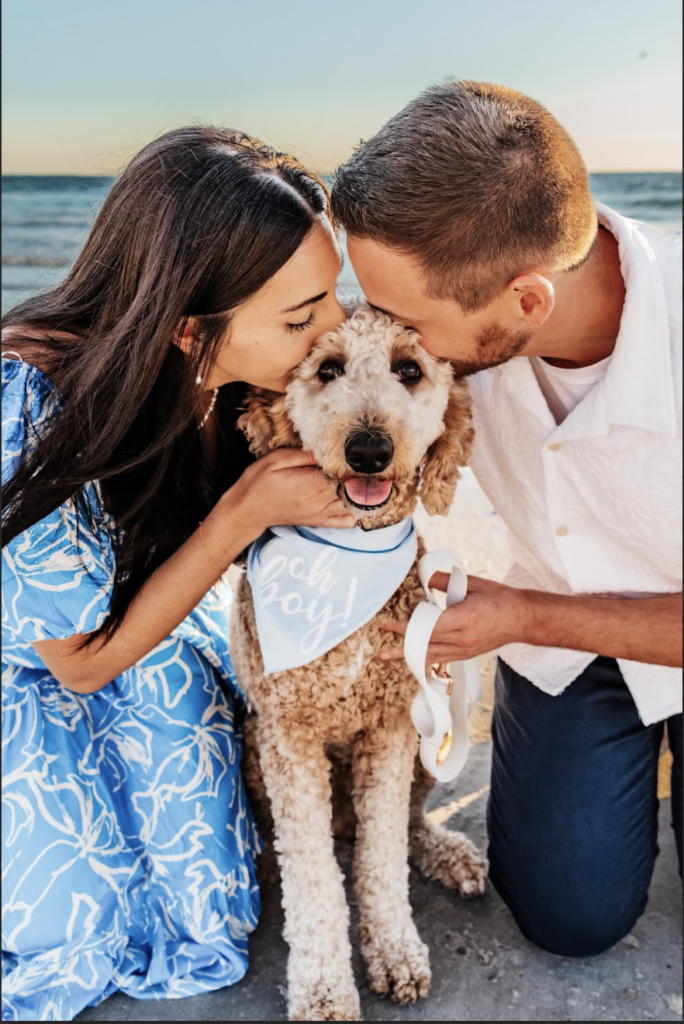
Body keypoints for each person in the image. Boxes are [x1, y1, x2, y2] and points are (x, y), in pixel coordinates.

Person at [1, 127, 352, 1021]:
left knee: (207, 912)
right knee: (75, 924)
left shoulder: (234, 380)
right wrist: (244, 513)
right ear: (190, 326)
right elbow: (76, 663)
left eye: (334, 297)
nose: (334, 330)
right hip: (35, 661)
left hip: (142, 631)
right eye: (302, 316)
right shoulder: (33, 402)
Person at [330, 81, 682, 958]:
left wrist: (519, 616)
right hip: (573, 653)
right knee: (570, 917)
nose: (386, 333)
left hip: (561, 616)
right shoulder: (463, 332)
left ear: (528, 303)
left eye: (407, 318)